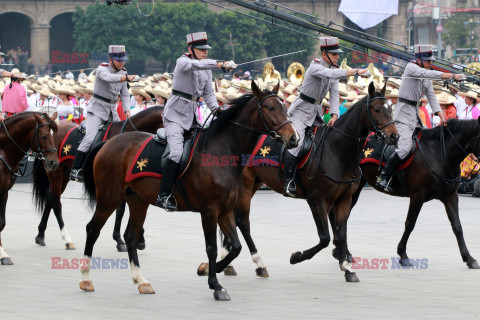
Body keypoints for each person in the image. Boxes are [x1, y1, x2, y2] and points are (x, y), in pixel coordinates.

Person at [155, 31, 235, 211]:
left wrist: (216, 111)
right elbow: (195, 65)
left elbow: (208, 93)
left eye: (206, 49)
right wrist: (221, 64)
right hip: (175, 116)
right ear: (190, 49)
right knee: (176, 153)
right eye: (200, 49)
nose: (204, 52)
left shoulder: (205, 67)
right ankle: (164, 195)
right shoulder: (183, 62)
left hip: (192, 118)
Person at [283, 37, 370, 197]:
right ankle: (288, 182)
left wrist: (335, 114)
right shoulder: (315, 67)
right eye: (334, 54)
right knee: (297, 142)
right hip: (301, 111)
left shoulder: (333, 68)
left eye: (338, 54)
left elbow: (335, 94)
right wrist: (356, 71)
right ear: (324, 54)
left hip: (316, 112)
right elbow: (331, 74)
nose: (337, 57)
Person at [376, 44, 464, 192]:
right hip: (403, 114)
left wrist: (441, 116)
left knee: (425, 146)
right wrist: (451, 76)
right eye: (428, 61)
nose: (431, 64)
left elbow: (431, 96)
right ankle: (384, 177)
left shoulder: (425, 73)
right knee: (404, 148)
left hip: (415, 115)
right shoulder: (411, 68)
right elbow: (430, 74)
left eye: (431, 61)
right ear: (419, 59)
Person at [70, 45, 139, 182]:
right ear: (110, 59)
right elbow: (108, 78)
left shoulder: (123, 73)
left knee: (121, 137)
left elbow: (125, 95)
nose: (121, 63)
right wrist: (125, 78)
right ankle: (75, 169)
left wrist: (127, 110)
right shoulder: (102, 69)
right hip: (97, 109)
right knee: (90, 138)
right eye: (118, 60)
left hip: (112, 111)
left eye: (123, 61)